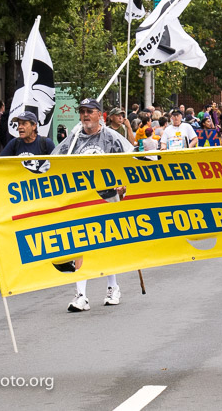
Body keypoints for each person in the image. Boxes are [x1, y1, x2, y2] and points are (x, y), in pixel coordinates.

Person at [52, 98, 132, 312]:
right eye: (82, 111)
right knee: (80, 244)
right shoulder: (74, 139)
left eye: (90, 111)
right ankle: (81, 295)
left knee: (107, 242)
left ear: (100, 115)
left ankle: (112, 287)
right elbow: (56, 162)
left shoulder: (112, 138)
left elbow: (129, 161)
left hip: (108, 198)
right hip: (81, 199)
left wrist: (123, 186)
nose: (85, 115)